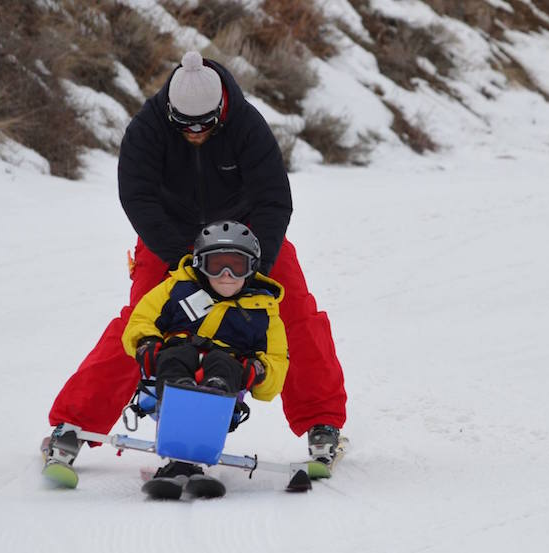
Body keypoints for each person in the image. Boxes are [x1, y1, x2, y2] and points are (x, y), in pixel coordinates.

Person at [45, 50, 346, 471]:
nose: (196, 133)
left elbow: (274, 200)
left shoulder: (246, 124)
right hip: (172, 239)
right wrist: (183, 262)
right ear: (171, 112)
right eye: (186, 126)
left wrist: (252, 265)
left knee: (293, 310)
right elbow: (138, 198)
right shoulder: (147, 129)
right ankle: (73, 424)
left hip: (247, 239)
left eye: (206, 124)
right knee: (140, 319)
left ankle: (322, 421)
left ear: (221, 109)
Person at [124, 220, 288, 482]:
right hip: (177, 355)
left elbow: (277, 361)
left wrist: (257, 371)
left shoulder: (263, 311)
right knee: (176, 357)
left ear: (251, 269)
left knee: (223, 365)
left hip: (228, 366)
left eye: (236, 266)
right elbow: (142, 319)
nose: (226, 274)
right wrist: (146, 344)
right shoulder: (177, 288)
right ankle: (182, 392)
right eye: (217, 265)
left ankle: (213, 395)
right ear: (201, 265)